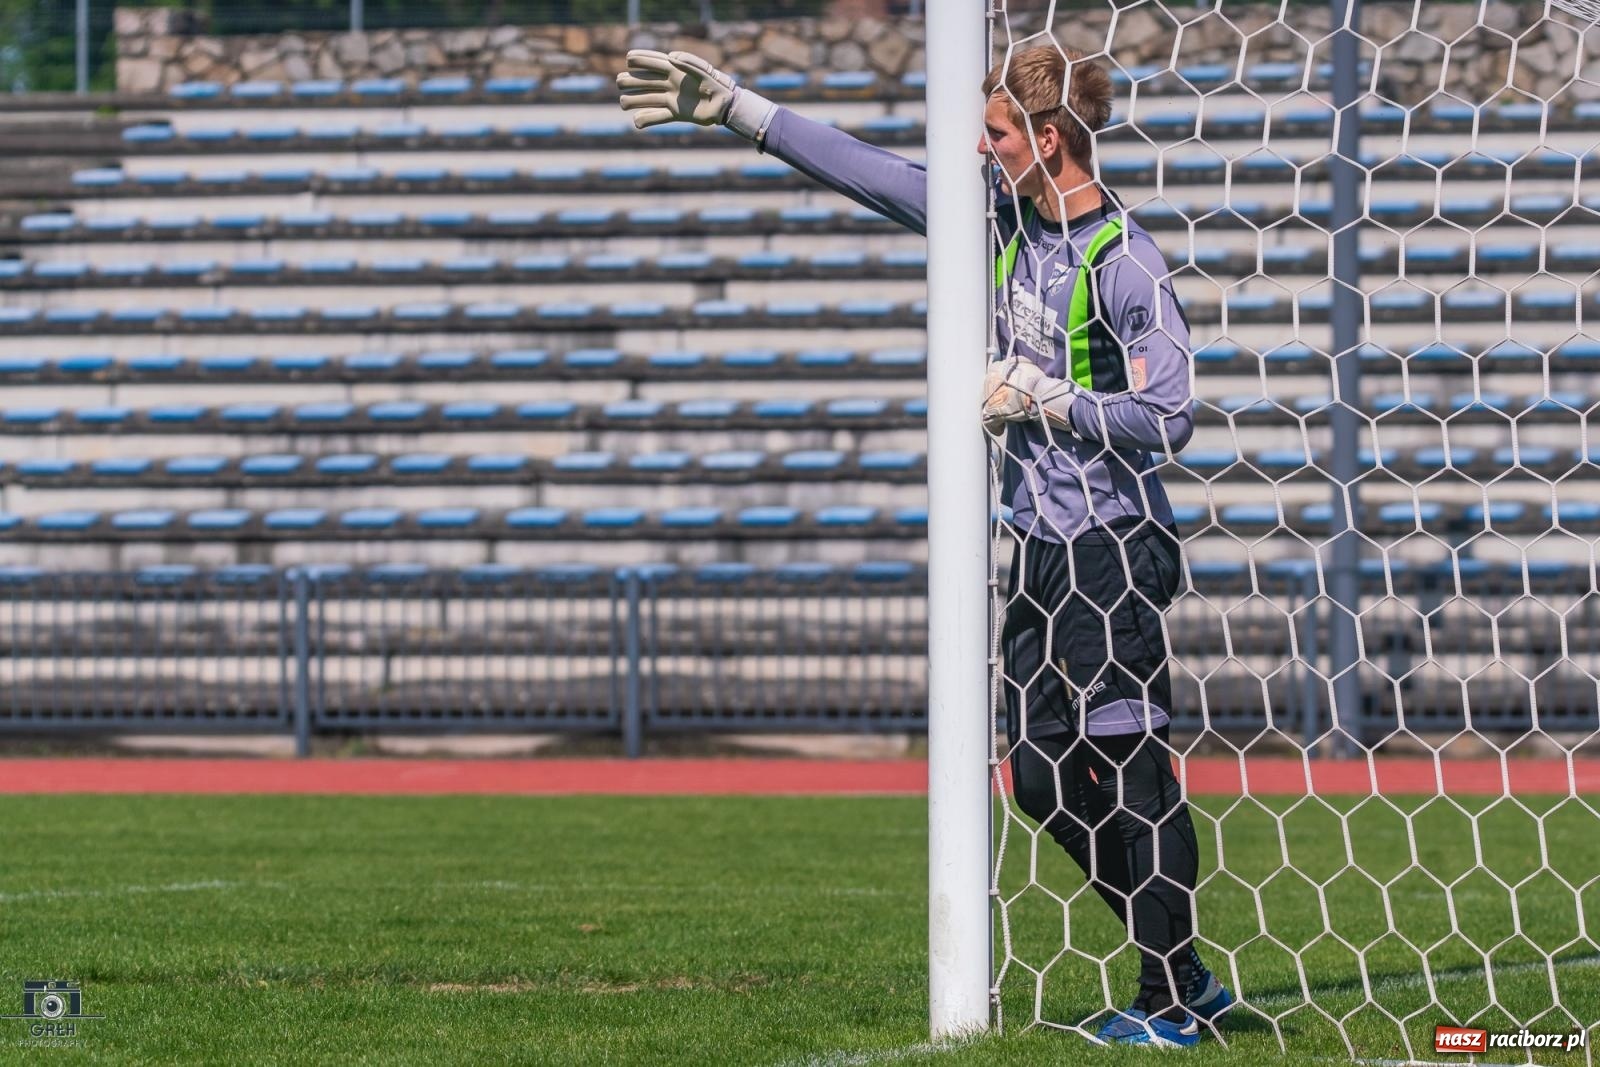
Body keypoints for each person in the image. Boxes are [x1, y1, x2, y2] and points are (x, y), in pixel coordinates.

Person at [617, 45, 1231, 1048]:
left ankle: (1168, 1000)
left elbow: (1170, 416)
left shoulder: (1128, 261)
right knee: (1034, 775)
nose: (978, 149)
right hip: (1038, 544)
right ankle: (1185, 965)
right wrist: (739, 110)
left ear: (1048, 139)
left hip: (1113, 542)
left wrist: (1052, 399)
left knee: (1129, 769)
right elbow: (871, 172)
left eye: (994, 133)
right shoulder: (991, 219)